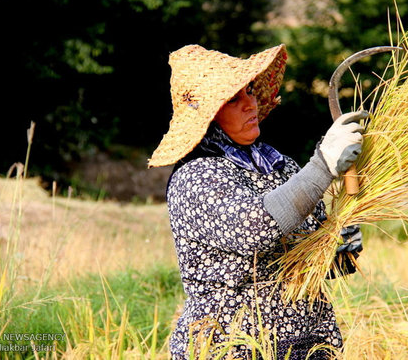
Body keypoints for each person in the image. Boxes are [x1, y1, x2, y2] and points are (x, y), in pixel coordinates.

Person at [149, 44, 365, 360]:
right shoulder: (195, 177)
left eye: (249, 92)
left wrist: (340, 250)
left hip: (308, 344)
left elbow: (308, 266)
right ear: (208, 115)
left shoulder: (283, 167)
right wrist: (322, 165)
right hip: (232, 345)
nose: (251, 104)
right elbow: (255, 228)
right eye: (234, 99)